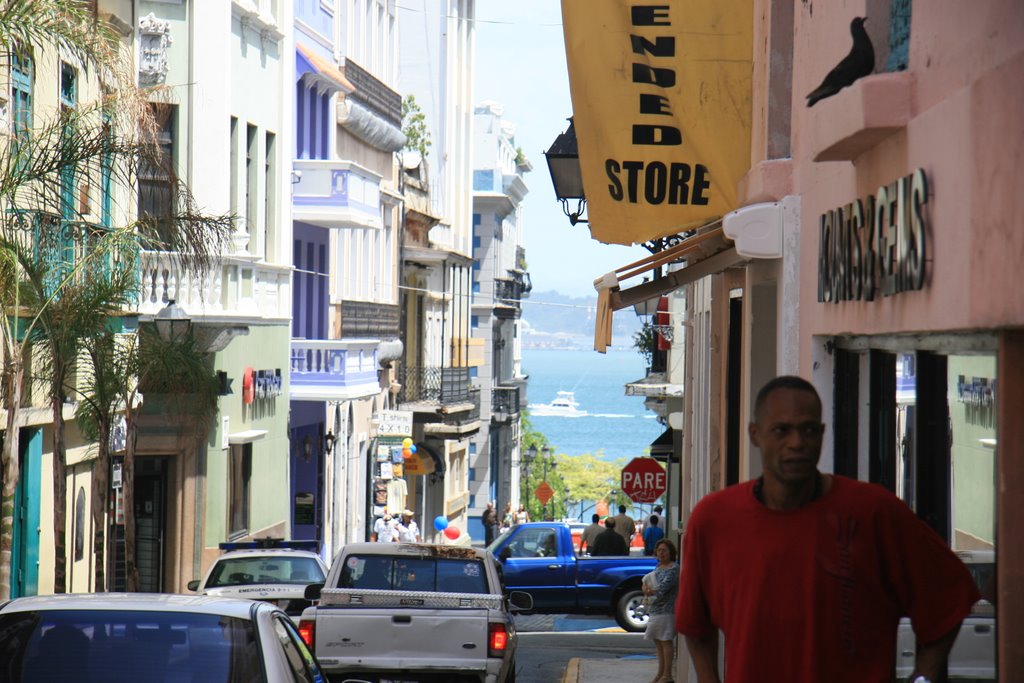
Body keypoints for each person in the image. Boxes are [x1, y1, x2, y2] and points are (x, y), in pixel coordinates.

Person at [675, 375, 980, 683]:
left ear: (822, 434)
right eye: (782, 430)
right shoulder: (714, 520)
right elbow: (695, 626)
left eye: (809, 429)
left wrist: (923, 679)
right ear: (755, 434)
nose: (797, 442)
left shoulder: (874, 512)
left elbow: (950, 597)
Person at [643, 539, 679, 683]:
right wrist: (647, 590)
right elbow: (649, 586)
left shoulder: (673, 569)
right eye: (659, 550)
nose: (661, 553)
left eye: (664, 550)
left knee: (665, 641)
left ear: (671, 552)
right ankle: (660, 673)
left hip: (666, 611)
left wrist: (649, 591)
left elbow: (662, 589)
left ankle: (667, 675)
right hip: (655, 610)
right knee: (658, 642)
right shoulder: (658, 568)